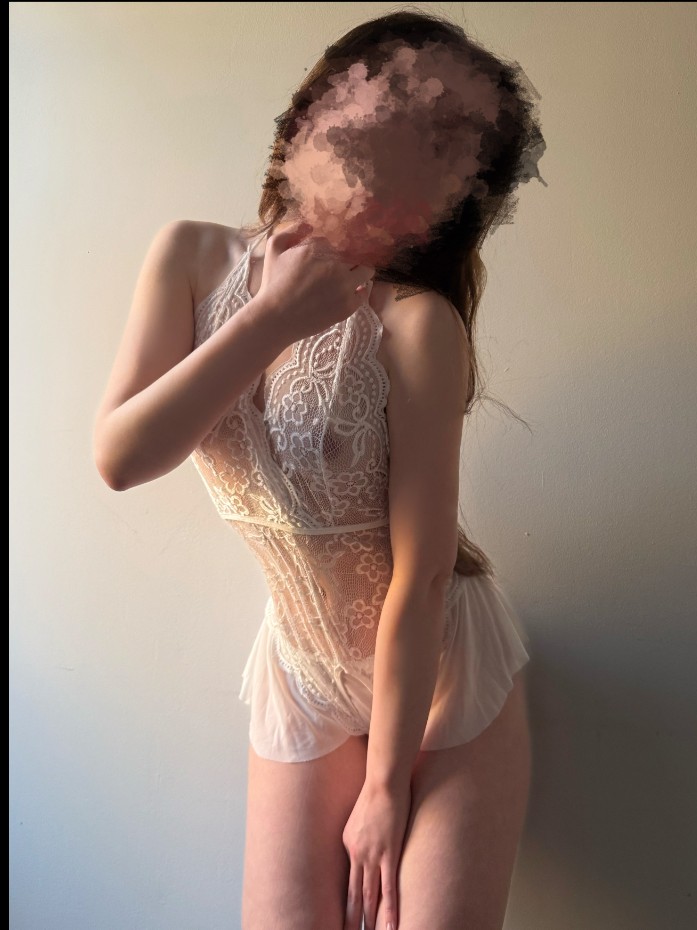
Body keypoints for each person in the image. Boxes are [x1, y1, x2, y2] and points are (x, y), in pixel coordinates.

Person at [93, 9, 545, 930]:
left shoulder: (416, 324)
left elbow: (421, 577)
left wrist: (384, 791)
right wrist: (271, 319)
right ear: (316, 112)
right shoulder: (189, 257)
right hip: (303, 672)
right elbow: (121, 457)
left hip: (440, 668)